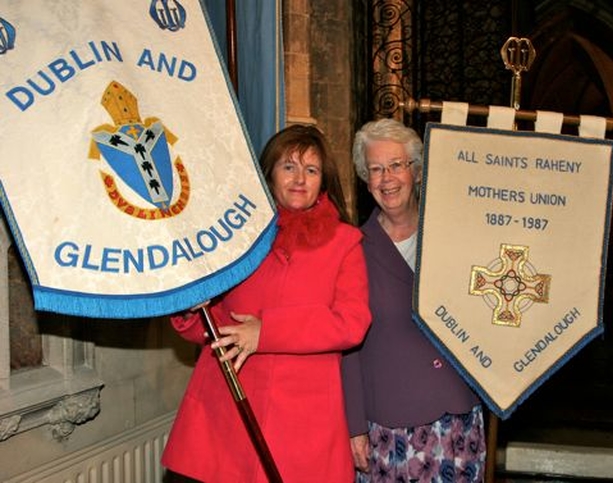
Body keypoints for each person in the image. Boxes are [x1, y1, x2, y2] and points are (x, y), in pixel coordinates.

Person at [162, 125, 372, 482]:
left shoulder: (345, 242)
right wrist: (188, 305)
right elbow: (211, 325)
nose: (299, 179)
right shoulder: (235, 236)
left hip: (306, 419)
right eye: (288, 166)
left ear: (324, 181)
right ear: (269, 173)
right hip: (229, 408)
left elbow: (351, 323)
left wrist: (266, 332)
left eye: (311, 169)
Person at [342, 118, 486, 482]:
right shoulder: (351, 248)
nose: (386, 178)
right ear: (366, 179)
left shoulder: (454, 237)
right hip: (389, 430)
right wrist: (354, 425)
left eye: (395, 166)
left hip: (456, 418)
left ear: (417, 172)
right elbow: (346, 345)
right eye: (375, 169)